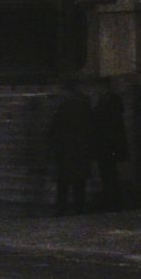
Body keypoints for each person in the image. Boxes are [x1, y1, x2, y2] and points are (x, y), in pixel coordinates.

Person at [47, 80, 93, 215]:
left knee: (64, 182)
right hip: (79, 147)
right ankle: (79, 206)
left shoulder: (62, 108)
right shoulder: (84, 106)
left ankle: (62, 207)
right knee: (79, 181)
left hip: (66, 149)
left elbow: (55, 129)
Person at [91, 82, 129, 210]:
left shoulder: (104, 103)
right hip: (111, 145)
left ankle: (110, 199)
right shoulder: (114, 104)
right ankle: (114, 198)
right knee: (111, 172)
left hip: (105, 145)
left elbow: (99, 124)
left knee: (107, 172)